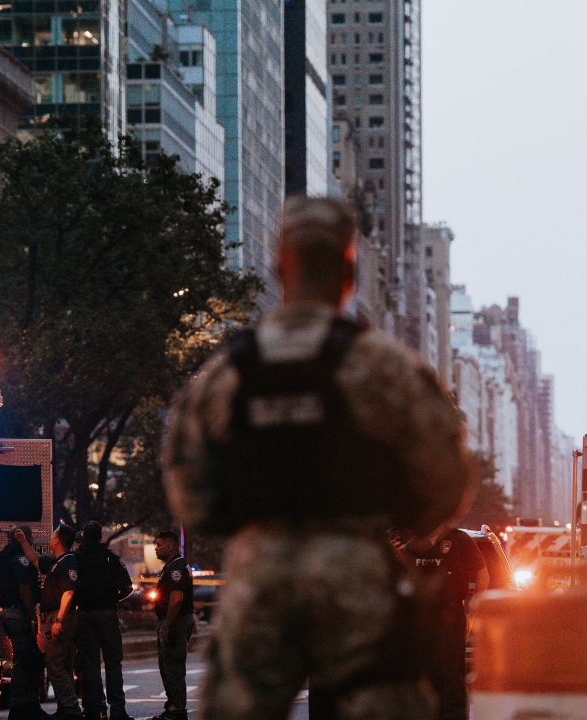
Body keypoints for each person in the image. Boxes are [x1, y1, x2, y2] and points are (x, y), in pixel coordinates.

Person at [162, 197, 475, 720]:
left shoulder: (227, 373)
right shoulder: (382, 366)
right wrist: (393, 526)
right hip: (357, 573)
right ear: (350, 271)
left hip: (258, 577)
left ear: (280, 264)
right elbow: (448, 478)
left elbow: (190, 490)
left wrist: (252, 529)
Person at [394, 527, 488, 720]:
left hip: (450, 616)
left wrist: (473, 614)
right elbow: (403, 578)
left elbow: (483, 576)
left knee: (452, 678)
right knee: (419, 677)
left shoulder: (460, 540)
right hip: (418, 618)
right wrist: (395, 556)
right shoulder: (409, 540)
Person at [16, 524, 80, 720]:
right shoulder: (56, 562)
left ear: (58, 540)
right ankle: (65, 709)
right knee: (64, 666)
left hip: (58, 618)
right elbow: (35, 559)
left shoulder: (68, 562)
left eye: (53, 535)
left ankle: (71, 710)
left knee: (54, 665)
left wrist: (58, 620)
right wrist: (23, 541)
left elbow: (69, 592)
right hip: (55, 617)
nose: (50, 538)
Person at [74, 521, 135, 720]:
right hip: (107, 614)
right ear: (101, 536)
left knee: (90, 664)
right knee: (113, 662)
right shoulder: (111, 559)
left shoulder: (76, 559)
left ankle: (94, 708)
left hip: (84, 614)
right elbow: (128, 587)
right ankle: (117, 709)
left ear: (84, 537)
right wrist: (112, 597)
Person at [0, 525, 47, 720]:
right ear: (23, 538)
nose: (33, 540)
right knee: (24, 662)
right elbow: (24, 587)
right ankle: (20, 707)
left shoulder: (5, 555)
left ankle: (29, 705)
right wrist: (32, 616)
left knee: (25, 659)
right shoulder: (20, 558)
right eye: (30, 537)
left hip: (9, 613)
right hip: (19, 614)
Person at [151, 531, 195, 720]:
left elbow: (176, 599)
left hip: (176, 622)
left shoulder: (175, 568)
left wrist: (167, 626)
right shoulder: (172, 566)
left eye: (159, 545)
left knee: (173, 668)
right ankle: (172, 706)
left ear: (170, 546)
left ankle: (177, 709)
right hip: (173, 621)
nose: (156, 548)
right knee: (166, 667)